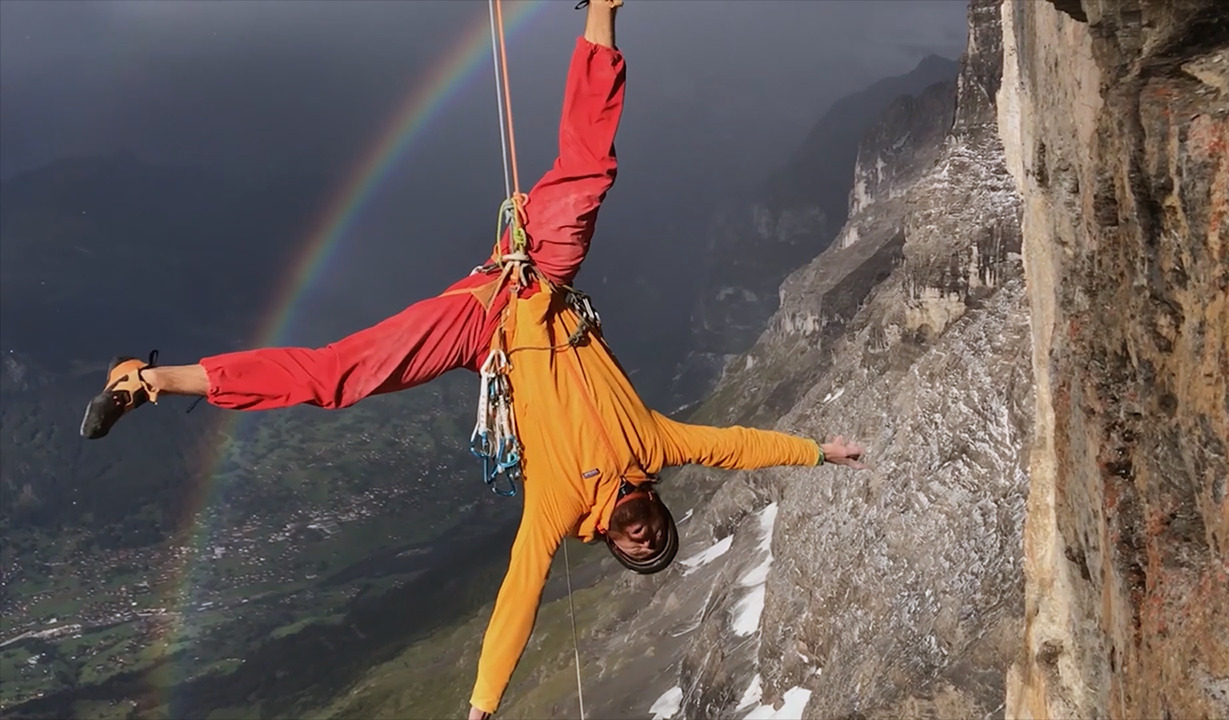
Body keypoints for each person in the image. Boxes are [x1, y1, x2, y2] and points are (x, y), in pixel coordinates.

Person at [79, 1, 867, 716]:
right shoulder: (660, 445)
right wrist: (821, 452)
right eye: (654, 535)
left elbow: (516, 604)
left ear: (613, 543)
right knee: (588, 181)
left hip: (481, 326)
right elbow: (739, 446)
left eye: (637, 549)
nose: (641, 538)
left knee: (336, 377)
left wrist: (482, 709)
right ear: (657, 510)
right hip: (538, 282)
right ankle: (601, 11)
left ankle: (149, 382)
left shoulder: (558, 508)